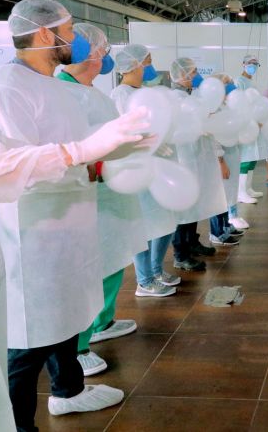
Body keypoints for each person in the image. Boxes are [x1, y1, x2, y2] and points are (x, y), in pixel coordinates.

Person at [0, 0, 125, 430]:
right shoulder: (6, 89)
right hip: (33, 231)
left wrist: (107, 157)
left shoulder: (54, 85)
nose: (76, 38)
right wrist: (84, 160)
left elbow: (75, 146)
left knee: (67, 314)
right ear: (46, 35)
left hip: (69, 221)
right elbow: (16, 168)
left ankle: (68, 391)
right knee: (29, 336)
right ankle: (20, 424)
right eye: (71, 29)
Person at [0, 108, 151, 432]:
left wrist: (94, 159)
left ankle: (65, 391)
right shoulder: (4, 89)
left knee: (47, 331)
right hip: (19, 249)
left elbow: (16, 154)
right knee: (19, 353)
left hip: (2, 261)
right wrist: (77, 153)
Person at [57, 23, 147, 377]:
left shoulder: (92, 92)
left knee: (110, 259)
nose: (108, 56)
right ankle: (78, 347)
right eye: (103, 49)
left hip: (109, 193)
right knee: (86, 269)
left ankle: (102, 321)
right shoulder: (63, 93)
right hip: (84, 196)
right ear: (91, 53)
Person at [112, 46, 184, 293]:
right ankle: (144, 281)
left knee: (163, 223)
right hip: (139, 168)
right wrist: (152, 143)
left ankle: (156, 270)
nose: (151, 67)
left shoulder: (146, 92)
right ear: (132, 65)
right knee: (143, 225)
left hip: (159, 168)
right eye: (147, 62)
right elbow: (128, 133)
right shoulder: (120, 95)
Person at [167, 57, 227, 269]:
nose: (195, 76)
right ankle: (180, 253)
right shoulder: (175, 98)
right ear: (181, 75)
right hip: (184, 160)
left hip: (195, 158)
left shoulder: (188, 96)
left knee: (194, 203)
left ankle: (192, 242)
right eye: (192, 73)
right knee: (184, 206)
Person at [204, 73, 244, 246]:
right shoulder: (211, 108)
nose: (230, 87)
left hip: (230, 153)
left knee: (226, 194)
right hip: (221, 157)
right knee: (218, 195)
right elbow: (212, 138)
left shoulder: (224, 106)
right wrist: (221, 161)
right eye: (226, 84)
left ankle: (225, 226)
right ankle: (217, 232)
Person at [233, 54, 265, 210]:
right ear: (243, 64)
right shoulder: (239, 82)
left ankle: (248, 188)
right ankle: (240, 192)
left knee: (253, 157)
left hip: (254, 125)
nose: (253, 66)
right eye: (250, 63)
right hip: (245, 126)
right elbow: (238, 105)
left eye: (255, 64)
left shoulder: (252, 83)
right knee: (245, 158)